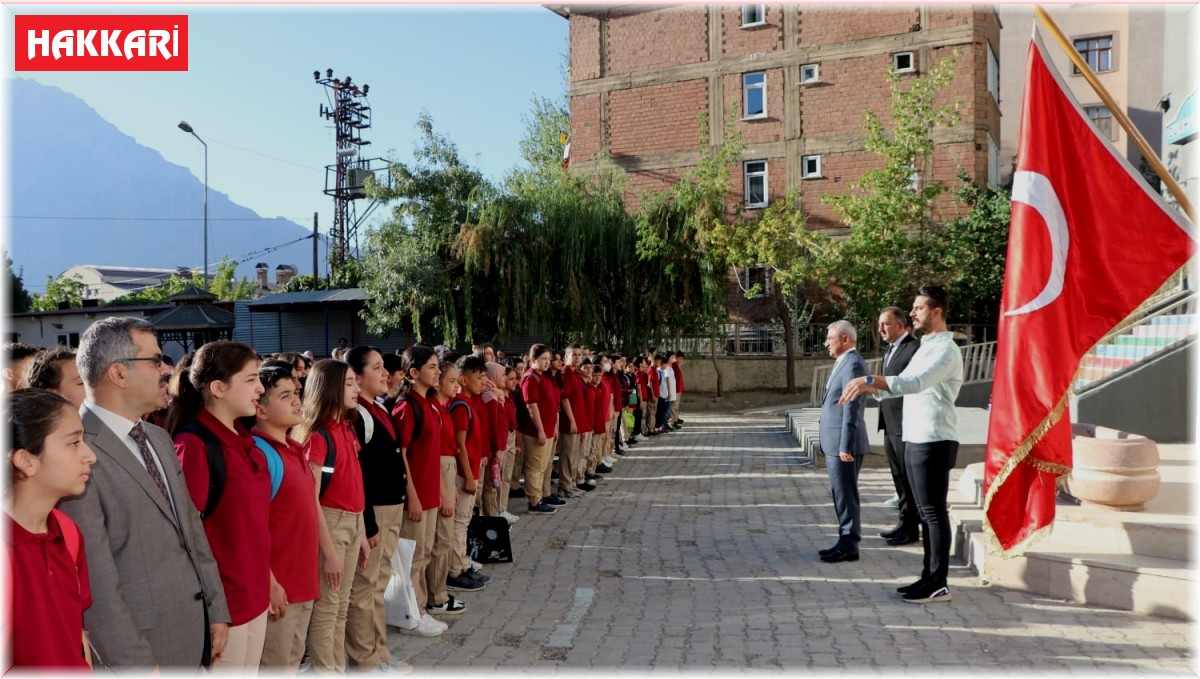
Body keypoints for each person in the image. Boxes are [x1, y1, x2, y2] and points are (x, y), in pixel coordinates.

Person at [57, 317, 231, 669]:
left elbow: (191, 531)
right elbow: (97, 584)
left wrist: (215, 609)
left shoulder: (159, 438)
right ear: (118, 374)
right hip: (143, 650)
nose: (165, 369)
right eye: (154, 360)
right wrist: (134, 664)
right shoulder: (74, 451)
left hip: (192, 633)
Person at [840, 285, 964, 604]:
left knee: (933, 513)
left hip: (934, 439)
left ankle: (938, 582)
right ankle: (928, 577)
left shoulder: (945, 349)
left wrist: (870, 380)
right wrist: (873, 390)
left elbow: (915, 382)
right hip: (915, 436)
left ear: (936, 312)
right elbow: (902, 387)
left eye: (918, 308)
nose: (912, 313)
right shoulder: (926, 346)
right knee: (924, 512)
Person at [170, 342, 270, 672]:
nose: (260, 388)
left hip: (254, 595)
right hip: (224, 608)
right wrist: (214, 612)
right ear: (218, 388)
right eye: (251, 379)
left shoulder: (245, 441)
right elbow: (185, 541)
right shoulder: (194, 446)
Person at [5, 388, 97, 671]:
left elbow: (77, 636)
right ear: (26, 460)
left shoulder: (68, 532)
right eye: (73, 443)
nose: (90, 455)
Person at [294, 359, 367, 672]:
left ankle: (336, 669)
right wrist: (328, 552)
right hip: (331, 526)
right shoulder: (318, 436)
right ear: (331, 388)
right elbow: (311, 501)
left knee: (340, 608)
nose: (357, 388)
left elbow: (355, 485)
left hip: (352, 523)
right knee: (327, 609)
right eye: (349, 383)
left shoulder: (346, 427)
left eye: (355, 382)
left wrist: (361, 533)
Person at [344, 346, 411, 671]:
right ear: (356, 377)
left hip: (390, 506)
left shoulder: (377, 408)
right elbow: (361, 476)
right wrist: (368, 524)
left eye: (384, 366)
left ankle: (380, 652)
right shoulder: (358, 415)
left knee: (379, 582)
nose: (385, 373)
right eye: (377, 367)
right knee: (366, 586)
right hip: (376, 509)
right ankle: (366, 658)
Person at [250, 366, 320, 671]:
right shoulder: (260, 455)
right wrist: (270, 581)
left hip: (303, 582)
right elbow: (250, 529)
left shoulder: (293, 448)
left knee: (291, 662)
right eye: (285, 395)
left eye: (296, 393)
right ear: (260, 409)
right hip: (280, 590)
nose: (296, 401)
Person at [392, 346, 454, 620]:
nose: (438, 371)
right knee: (413, 559)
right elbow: (401, 456)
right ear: (413, 373)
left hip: (430, 494)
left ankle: (420, 607)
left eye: (437, 366)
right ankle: (413, 613)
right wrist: (412, 496)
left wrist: (441, 491)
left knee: (424, 554)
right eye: (431, 367)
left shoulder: (429, 404)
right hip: (416, 497)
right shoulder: (407, 407)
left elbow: (432, 456)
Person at [817, 321, 869, 564]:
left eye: (830, 338)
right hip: (835, 441)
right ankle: (844, 540)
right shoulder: (844, 361)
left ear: (845, 339)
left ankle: (849, 544)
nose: (827, 342)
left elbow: (852, 406)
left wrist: (845, 445)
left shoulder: (854, 363)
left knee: (846, 494)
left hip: (844, 444)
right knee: (840, 493)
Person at [875, 307, 922, 547]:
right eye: (880, 324)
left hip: (905, 423)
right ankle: (904, 523)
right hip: (890, 422)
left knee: (907, 478)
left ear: (902, 325)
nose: (881, 329)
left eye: (886, 324)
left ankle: (912, 527)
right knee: (898, 478)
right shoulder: (890, 350)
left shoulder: (913, 348)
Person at [446, 354, 490, 593]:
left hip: (471, 471)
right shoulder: (460, 406)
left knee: (464, 521)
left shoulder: (471, 402)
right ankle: (455, 571)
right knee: (459, 523)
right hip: (464, 475)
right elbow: (459, 445)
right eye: (479, 377)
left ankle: (461, 564)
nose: (483, 382)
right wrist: (469, 476)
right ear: (463, 380)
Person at [516, 345, 558, 514]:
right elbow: (531, 406)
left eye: (549, 359)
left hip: (547, 430)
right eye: (544, 359)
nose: (547, 362)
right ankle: (534, 501)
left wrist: (552, 428)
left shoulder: (542, 376)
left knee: (542, 466)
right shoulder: (530, 378)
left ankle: (539, 497)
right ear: (533, 360)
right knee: (534, 466)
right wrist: (540, 430)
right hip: (534, 432)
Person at [480, 361, 514, 521]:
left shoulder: (496, 394)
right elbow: (492, 426)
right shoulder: (489, 396)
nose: (504, 377)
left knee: (494, 484)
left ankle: (495, 515)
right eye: (502, 375)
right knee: (490, 486)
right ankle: (491, 518)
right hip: (494, 448)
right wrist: (498, 450)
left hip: (499, 446)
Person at [556, 346, 587, 499]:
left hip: (578, 421)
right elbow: (564, 398)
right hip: (569, 422)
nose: (577, 358)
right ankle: (565, 485)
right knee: (568, 455)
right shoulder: (565, 373)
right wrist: (572, 420)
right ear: (566, 356)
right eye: (573, 355)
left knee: (574, 455)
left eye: (579, 355)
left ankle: (572, 483)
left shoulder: (575, 373)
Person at [669, 352, 686, 427]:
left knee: (676, 406)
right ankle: (673, 421)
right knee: (674, 407)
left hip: (678, 390)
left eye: (682, 359)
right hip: (675, 390)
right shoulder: (674, 366)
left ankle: (675, 419)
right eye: (679, 359)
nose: (681, 360)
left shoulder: (677, 366)